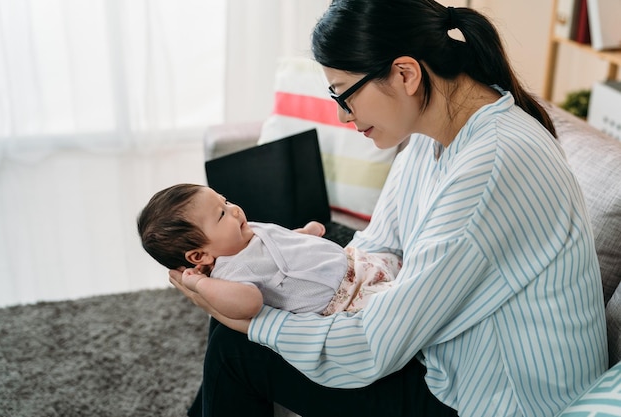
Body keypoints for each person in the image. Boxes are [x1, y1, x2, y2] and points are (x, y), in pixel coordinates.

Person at [169, 1, 608, 416]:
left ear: (405, 74)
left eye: (345, 94)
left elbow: (373, 347)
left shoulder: (492, 166)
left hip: (494, 396)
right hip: (442, 352)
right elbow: (380, 248)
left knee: (237, 344)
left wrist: (256, 324)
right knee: (247, 275)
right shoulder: (434, 132)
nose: (343, 116)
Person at [137, 183, 401, 317]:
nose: (234, 209)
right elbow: (249, 303)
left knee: (400, 261)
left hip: (355, 263)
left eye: (225, 201)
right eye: (221, 214)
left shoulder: (244, 231)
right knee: (398, 303)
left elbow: (282, 245)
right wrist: (200, 286)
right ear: (199, 256)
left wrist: (304, 233)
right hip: (348, 298)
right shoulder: (230, 273)